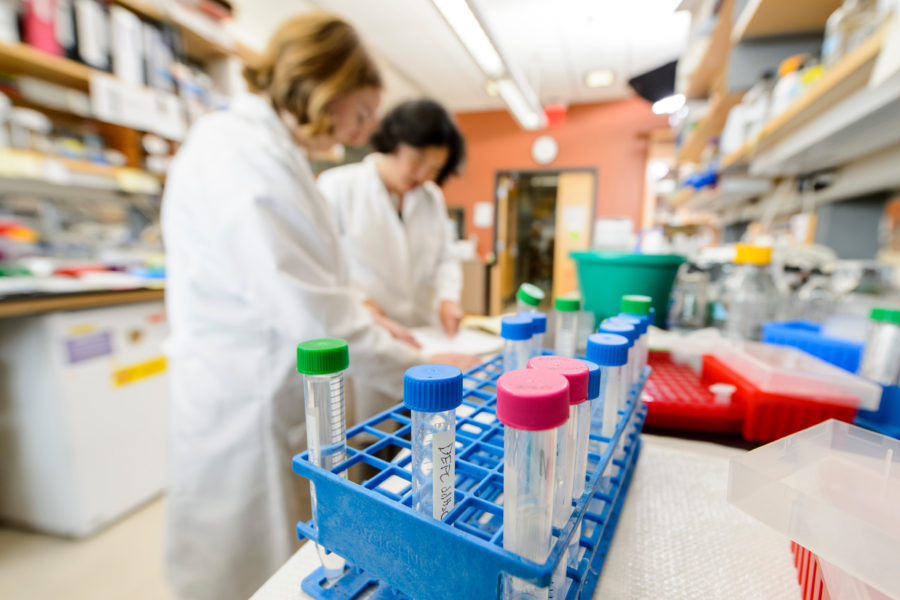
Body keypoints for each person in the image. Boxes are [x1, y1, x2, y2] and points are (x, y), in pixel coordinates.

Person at [161, 14, 477, 600]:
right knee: (249, 571)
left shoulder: (270, 152)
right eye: (359, 115)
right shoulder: (244, 159)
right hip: (248, 396)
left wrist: (367, 315)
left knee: (293, 555)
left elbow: (319, 290)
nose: (359, 134)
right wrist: (427, 368)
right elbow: (319, 319)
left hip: (291, 375)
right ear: (325, 89)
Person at [317, 99, 466, 339]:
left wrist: (448, 298)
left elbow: (445, 257)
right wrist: (360, 301)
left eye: (435, 168)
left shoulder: (431, 198)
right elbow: (321, 264)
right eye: (417, 161)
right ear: (393, 144)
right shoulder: (337, 187)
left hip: (423, 331)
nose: (423, 175)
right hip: (367, 330)